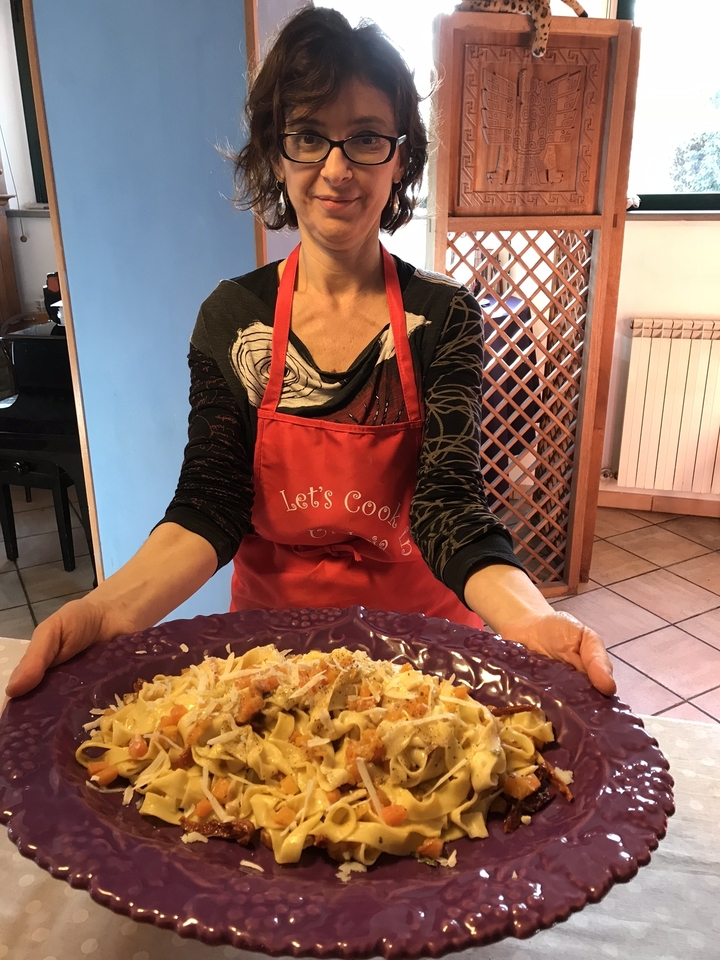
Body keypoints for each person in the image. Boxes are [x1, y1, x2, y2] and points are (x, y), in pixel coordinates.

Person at [6, 7, 614, 700]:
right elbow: (211, 503)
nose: (336, 169)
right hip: (272, 661)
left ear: (401, 157)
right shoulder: (233, 320)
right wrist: (104, 609)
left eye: (365, 139)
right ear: (275, 151)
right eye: (308, 136)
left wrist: (533, 622)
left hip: (423, 660)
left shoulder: (443, 315)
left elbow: (450, 508)